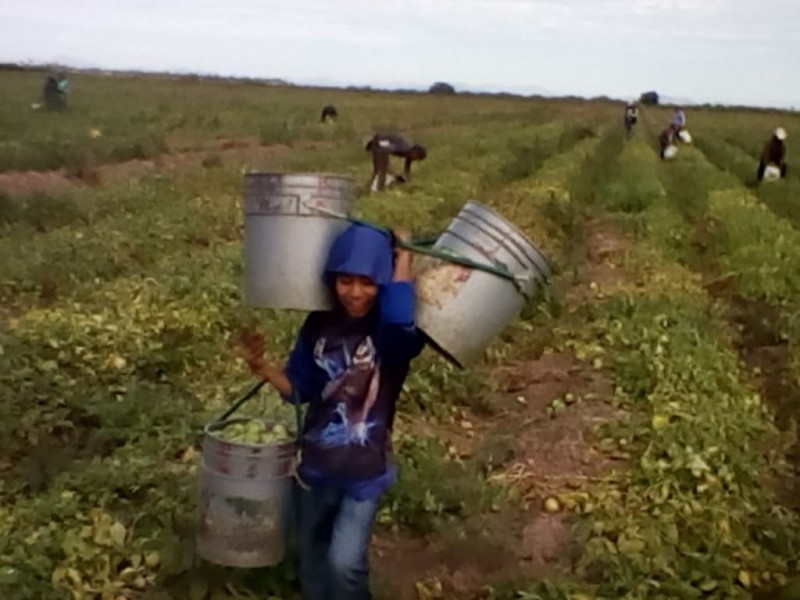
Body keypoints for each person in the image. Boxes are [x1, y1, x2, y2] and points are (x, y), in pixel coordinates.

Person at [237, 224, 425, 600]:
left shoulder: (392, 335)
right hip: (314, 468)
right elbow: (300, 389)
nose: (355, 292)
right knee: (311, 559)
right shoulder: (318, 324)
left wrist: (404, 254)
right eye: (345, 281)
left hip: (364, 473)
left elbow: (401, 319)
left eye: (368, 282)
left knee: (345, 564)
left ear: (383, 283)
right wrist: (263, 368)